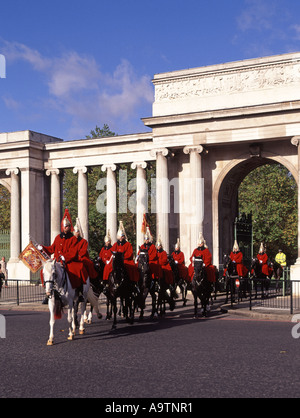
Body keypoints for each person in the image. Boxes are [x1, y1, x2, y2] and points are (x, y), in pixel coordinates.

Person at [40, 209, 88, 290]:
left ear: (70, 227)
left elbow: (73, 253)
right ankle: (47, 290)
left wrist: (64, 258)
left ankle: (78, 291)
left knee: (76, 270)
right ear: (62, 226)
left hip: (67, 261)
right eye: (64, 226)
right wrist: (42, 248)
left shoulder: (73, 239)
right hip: (56, 261)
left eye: (67, 226)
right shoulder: (58, 237)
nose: (66, 227)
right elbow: (51, 249)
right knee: (44, 271)